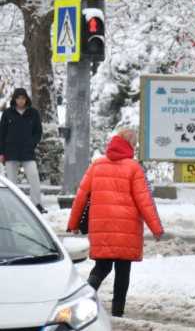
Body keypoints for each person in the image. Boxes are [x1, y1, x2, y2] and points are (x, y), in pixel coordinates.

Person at [67, 129, 164, 317]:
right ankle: (117, 311)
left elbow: (81, 196)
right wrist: (156, 229)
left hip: (101, 227)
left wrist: (73, 223)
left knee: (101, 267)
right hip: (127, 229)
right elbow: (144, 202)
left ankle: (83, 301)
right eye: (134, 145)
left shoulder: (97, 165)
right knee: (122, 271)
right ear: (129, 145)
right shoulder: (133, 168)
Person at [0, 88, 46, 213]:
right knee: (12, 182)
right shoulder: (7, 113)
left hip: (28, 152)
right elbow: (2, 134)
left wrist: (32, 143)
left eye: (23, 98)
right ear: (14, 99)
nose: (21, 101)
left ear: (26, 99)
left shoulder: (33, 113)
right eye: (18, 98)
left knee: (34, 177)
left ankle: (37, 204)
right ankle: (11, 207)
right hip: (10, 152)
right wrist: (1, 153)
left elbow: (38, 132)